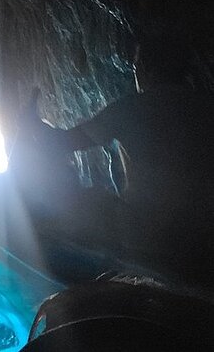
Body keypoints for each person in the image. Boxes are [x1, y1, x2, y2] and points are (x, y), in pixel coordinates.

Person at [24, 31, 214, 288]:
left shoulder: (134, 107)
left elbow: (59, 144)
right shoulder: (205, 106)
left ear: (145, 67)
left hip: (148, 237)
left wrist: (33, 121)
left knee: (83, 200)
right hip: (204, 239)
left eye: (135, 66)